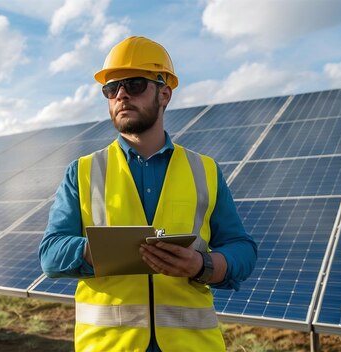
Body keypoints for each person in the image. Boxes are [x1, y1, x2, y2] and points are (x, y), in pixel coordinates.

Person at [38, 36, 257, 352]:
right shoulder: (82, 171)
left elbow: (242, 248)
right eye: (111, 89)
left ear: (164, 93)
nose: (122, 95)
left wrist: (201, 265)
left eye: (135, 84)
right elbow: (50, 254)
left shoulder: (205, 170)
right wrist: (104, 250)